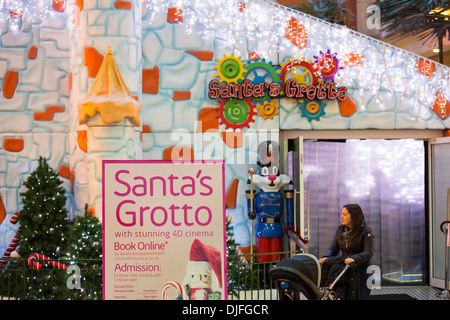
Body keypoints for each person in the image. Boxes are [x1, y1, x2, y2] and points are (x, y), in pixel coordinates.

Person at [319, 204, 374, 300]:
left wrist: (354, 258)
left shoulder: (366, 231)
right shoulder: (340, 230)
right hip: (345, 270)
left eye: (344, 214)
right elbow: (333, 249)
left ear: (353, 216)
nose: (341, 217)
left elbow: (368, 252)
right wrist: (326, 257)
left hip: (362, 272)